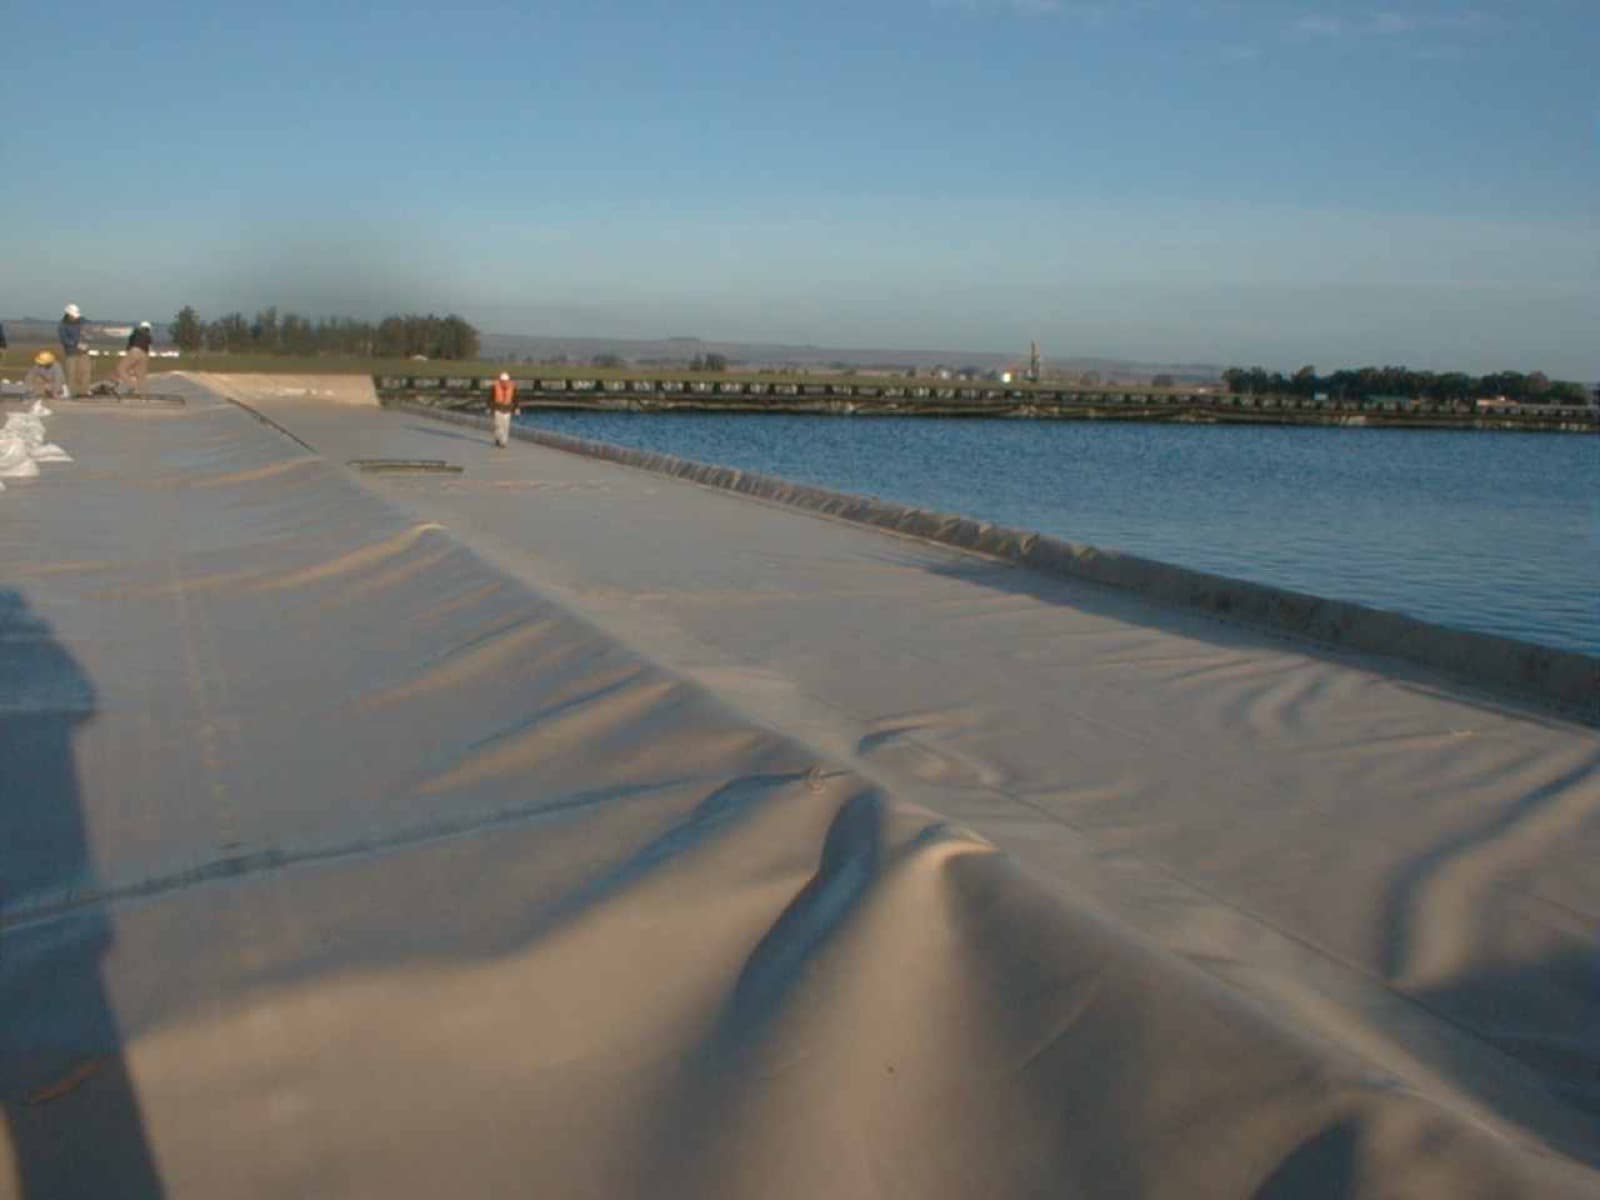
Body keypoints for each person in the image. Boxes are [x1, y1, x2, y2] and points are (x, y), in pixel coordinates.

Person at [58, 304, 90, 397]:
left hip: (83, 353)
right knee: (71, 373)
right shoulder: (63, 326)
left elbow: (89, 330)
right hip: (71, 353)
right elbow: (64, 340)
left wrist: (87, 337)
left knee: (84, 372)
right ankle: (73, 392)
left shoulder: (82, 322)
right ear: (68, 315)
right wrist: (76, 344)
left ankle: (83, 392)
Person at [117, 321, 153, 395]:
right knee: (141, 375)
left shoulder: (135, 334)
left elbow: (129, 345)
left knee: (121, 369)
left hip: (135, 351)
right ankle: (141, 392)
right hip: (145, 355)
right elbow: (149, 347)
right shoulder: (149, 337)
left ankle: (133, 386)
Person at [488, 371, 517, 447]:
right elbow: (491, 397)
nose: (504, 382)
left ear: (508, 380)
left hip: (507, 409)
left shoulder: (512, 387)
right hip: (498, 408)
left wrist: (517, 408)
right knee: (498, 425)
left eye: (506, 381)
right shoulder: (495, 386)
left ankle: (503, 442)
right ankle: (498, 438)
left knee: (506, 426)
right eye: (503, 381)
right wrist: (489, 407)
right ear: (500, 380)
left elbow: (515, 398)